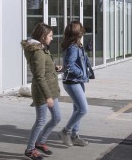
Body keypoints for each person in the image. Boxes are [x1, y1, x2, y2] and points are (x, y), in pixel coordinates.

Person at [21, 23, 63, 159]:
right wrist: (48, 97)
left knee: (57, 117)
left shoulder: (42, 47)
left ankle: (41, 141)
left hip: (50, 88)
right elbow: (39, 76)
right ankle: (30, 149)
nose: (52, 38)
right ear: (43, 36)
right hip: (42, 91)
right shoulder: (38, 52)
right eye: (50, 36)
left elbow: (44, 67)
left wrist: (54, 67)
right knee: (41, 120)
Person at [58, 20, 93, 147]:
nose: (83, 33)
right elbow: (70, 65)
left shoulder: (76, 45)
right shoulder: (73, 47)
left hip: (77, 81)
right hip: (72, 81)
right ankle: (65, 131)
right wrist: (81, 73)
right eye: (81, 31)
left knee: (77, 108)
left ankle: (74, 135)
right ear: (77, 33)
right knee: (83, 109)